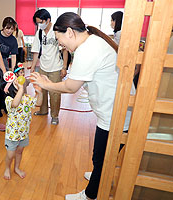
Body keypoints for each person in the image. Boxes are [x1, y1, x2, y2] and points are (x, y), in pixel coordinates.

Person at [30, 12, 134, 200]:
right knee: (103, 156)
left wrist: (46, 84)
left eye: (59, 39)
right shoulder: (91, 42)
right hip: (115, 110)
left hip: (116, 114)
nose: (60, 44)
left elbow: (71, 87)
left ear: (69, 32)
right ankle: (99, 176)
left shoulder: (87, 50)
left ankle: (90, 195)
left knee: (101, 158)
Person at [29, 9, 68, 125]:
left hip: (56, 67)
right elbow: (36, 51)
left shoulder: (57, 31)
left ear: (48, 20)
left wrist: (64, 67)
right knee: (42, 90)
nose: (39, 25)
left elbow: (65, 50)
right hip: (43, 67)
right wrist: (32, 67)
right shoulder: (39, 33)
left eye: (41, 22)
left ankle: (55, 115)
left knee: (55, 92)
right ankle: (43, 110)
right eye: (37, 23)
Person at [3, 68, 43, 180]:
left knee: (20, 151)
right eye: (16, 83)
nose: (20, 83)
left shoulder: (25, 98)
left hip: (23, 132)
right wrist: (21, 89)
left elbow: (38, 103)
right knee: (10, 155)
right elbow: (15, 104)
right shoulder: (9, 99)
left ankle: (16, 168)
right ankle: (7, 168)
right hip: (12, 134)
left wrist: (39, 93)